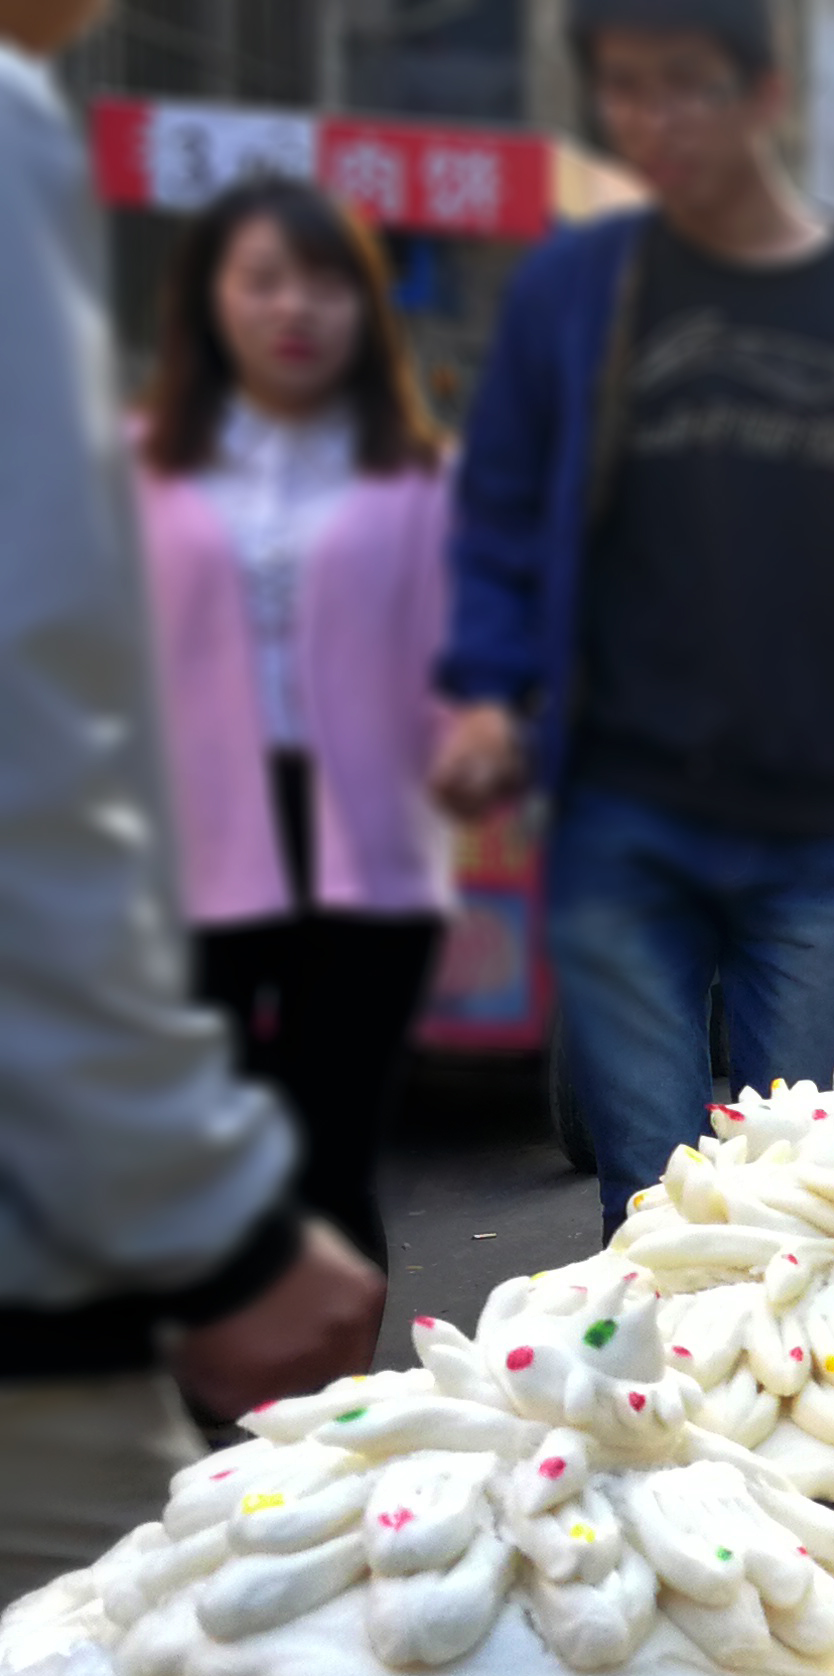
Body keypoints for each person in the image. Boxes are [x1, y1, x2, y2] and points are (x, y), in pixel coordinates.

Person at [432, 0, 834, 1230]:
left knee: (792, 1177)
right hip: (620, 808)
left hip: (822, 816)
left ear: (765, 97)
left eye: (684, 85)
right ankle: (641, 1410)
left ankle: (770, 1407)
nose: (652, 119)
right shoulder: (573, 299)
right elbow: (497, 520)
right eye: (624, 89)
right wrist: (490, 691)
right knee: (651, 1188)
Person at [0, 0, 386, 1600]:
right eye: (258, 278)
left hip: (353, 867)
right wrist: (206, 1225)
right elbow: (33, 716)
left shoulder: (399, 477)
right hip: (57, 1196)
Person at [133, 175, 458, 1272]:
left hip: (366, 842)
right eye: (262, 279)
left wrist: (476, 733)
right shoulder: (135, 468)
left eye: (324, 282)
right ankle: (192, 1396)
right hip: (183, 838)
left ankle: (327, 1414)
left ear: (365, 307)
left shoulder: (421, 477)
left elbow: (462, 657)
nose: (294, 308)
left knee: (330, 1151)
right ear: (208, 302)